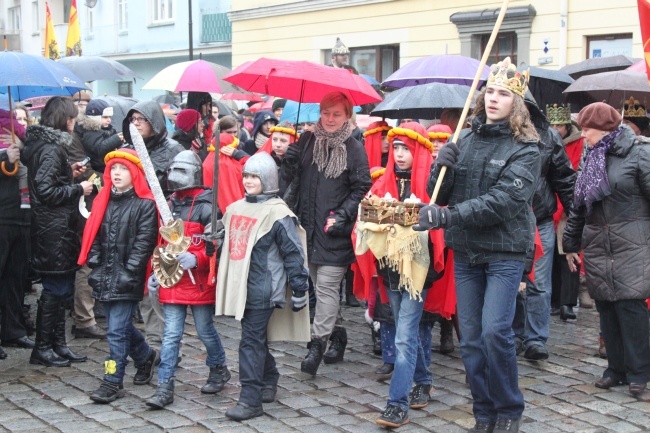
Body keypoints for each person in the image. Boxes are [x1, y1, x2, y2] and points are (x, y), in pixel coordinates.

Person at [416, 57, 541, 433]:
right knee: (469, 339)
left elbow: (504, 201)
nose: (493, 99)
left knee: (494, 332)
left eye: (503, 94)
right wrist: (441, 165)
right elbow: (435, 194)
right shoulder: (464, 138)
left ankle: (508, 410)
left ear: (516, 103)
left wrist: (448, 217)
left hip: (504, 251)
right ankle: (484, 413)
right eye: (490, 92)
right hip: (468, 251)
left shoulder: (527, 148)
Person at [355, 123, 445, 427]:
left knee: (406, 336)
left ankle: (397, 404)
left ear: (418, 149)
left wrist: (422, 211)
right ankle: (424, 379)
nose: (400, 153)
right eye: (396, 148)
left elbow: (439, 228)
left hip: (418, 272)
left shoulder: (434, 184)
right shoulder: (382, 183)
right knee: (406, 329)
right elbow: (367, 216)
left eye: (406, 147)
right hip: (390, 270)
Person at [279, 91, 371, 376]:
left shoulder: (354, 147)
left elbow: (362, 187)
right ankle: (339, 336)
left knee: (329, 289)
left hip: (335, 230)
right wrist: (289, 162)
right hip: (307, 228)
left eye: (337, 114)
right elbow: (289, 182)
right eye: (326, 113)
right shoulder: (306, 141)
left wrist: (344, 214)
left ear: (347, 117)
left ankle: (316, 345)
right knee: (320, 289)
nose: (330, 119)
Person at [563, 102, 650, 399]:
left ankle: (640, 373)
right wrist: (571, 244)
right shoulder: (590, 155)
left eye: (587, 129)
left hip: (633, 240)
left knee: (630, 305)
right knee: (607, 306)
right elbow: (578, 204)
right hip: (598, 241)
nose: (583, 135)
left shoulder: (640, 152)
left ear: (604, 129)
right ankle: (616, 369)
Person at [217, 152, 310, 421]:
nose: (248, 181)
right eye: (245, 175)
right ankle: (269, 378)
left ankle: (250, 400)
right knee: (254, 338)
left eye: (254, 176)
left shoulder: (279, 214)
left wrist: (300, 289)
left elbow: (293, 253)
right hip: (242, 288)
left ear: (267, 178)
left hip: (264, 289)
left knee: (249, 341)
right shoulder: (236, 208)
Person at [146, 151, 230, 409]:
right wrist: (155, 272)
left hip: (199, 282)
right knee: (171, 334)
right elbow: (161, 243)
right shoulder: (169, 204)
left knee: (205, 330)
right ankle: (164, 385)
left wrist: (200, 259)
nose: (173, 176)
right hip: (173, 280)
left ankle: (218, 367)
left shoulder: (207, 206)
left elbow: (217, 244)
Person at [78, 149, 159, 403]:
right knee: (120, 327)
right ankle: (145, 355)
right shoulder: (103, 200)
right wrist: (95, 262)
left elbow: (144, 243)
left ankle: (112, 380)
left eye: (123, 168)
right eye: (113, 169)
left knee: (114, 331)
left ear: (134, 173)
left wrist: (130, 271)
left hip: (127, 277)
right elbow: (94, 236)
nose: (117, 173)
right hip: (105, 274)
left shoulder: (144, 205)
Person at [22, 96, 94, 367]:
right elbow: (45, 191)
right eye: (73, 117)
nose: (75, 122)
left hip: (55, 227)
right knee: (54, 289)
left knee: (61, 288)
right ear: (65, 119)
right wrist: (78, 188)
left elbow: (48, 181)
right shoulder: (51, 148)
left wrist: (70, 173)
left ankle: (58, 345)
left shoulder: (47, 146)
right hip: (53, 229)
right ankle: (43, 348)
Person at [122, 101, 183, 354]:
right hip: (135, 226)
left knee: (160, 284)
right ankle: (153, 343)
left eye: (141, 119)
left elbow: (181, 191)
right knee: (143, 289)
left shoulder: (174, 150)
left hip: (163, 225)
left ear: (154, 122)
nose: (135, 124)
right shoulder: (126, 150)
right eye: (132, 119)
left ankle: (166, 345)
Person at [519, 93, 575, 361]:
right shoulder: (493, 133)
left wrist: (576, 220)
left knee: (538, 284)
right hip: (505, 222)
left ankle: (535, 339)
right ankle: (514, 334)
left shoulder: (549, 137)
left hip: (539, 219)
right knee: (509, 282)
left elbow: (564, 178)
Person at [546, 103, 590, 319]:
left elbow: (572, 175)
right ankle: (554, 300)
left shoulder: (579, 144)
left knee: (569, 253)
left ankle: (567, 303)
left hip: (567, 206)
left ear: (566, 125)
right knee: (553, 255)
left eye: (558, 125)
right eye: (551, 123)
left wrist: (566, 205)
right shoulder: (547, 142)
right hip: (550, 204)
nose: (555, 128)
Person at [0, 116, 33, 356]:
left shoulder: (16, 133)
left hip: (19, 217)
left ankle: (13, 331)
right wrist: (4, 159)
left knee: (15, 279)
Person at [78, 99, 123, 174]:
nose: (109, 120)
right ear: (95, 118)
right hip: (99, 168)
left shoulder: (107, 129)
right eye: (105, 117)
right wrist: (117, 138)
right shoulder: (90, 133)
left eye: (109, 117)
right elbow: (99, 148)